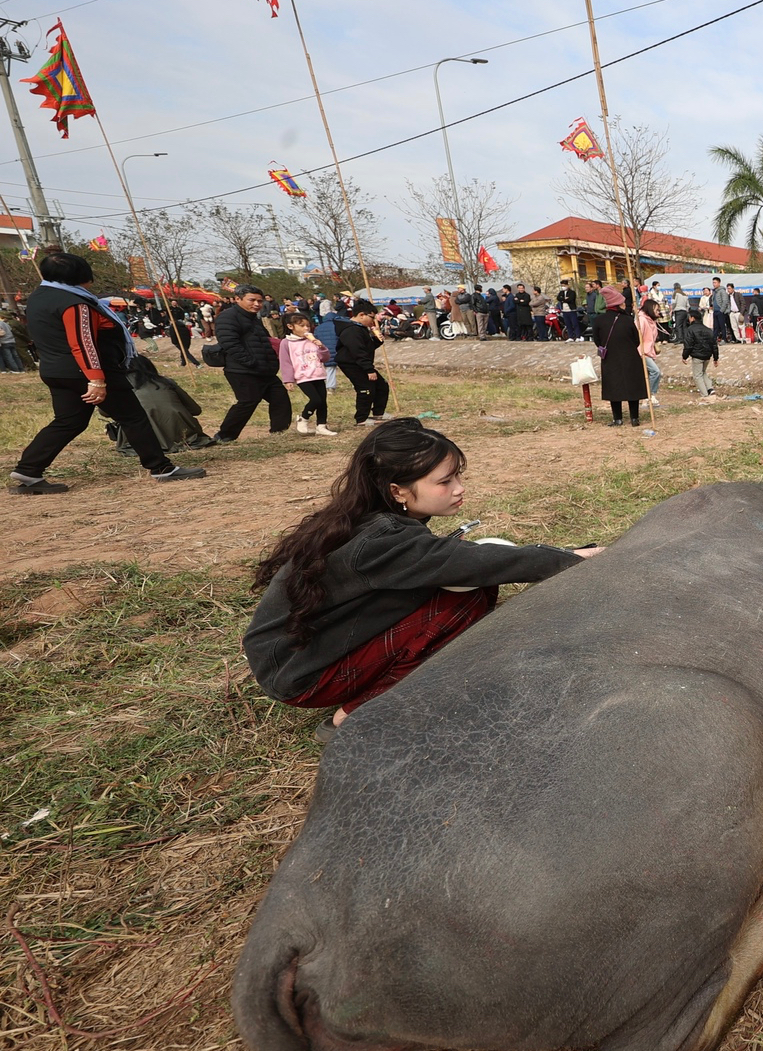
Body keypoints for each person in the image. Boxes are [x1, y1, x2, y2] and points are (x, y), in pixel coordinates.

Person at [245, 420, 602, 729]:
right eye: (445, 481)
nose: (459, 488)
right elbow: (478, 563)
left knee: (452, 588)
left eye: (459, 476)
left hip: (293, 657)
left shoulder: (364, 519)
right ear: (397, 490)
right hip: (298, 675)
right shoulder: (382, 539)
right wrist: (571, 558)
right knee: (465, 599)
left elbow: (457, 559)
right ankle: (356, 714)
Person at [9, 250, 207, 494]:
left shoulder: (39, 297)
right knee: (133, 417)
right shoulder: (75, 303)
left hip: (55, 370)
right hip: (88, 371)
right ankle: (161, 467)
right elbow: (83, 343)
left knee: (69, 421)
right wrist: (96, 379)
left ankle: (29, 469)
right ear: (78, 277)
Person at [213, 285, 294, 440]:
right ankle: (225, 436)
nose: (257, 304)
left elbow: (265, 341)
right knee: (248, 402)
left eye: (259, 301)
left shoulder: (254, 319)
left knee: (280, 398)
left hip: (265, 370)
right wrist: (251, 362)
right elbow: (230, 344)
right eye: (252, 300)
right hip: (242, 370)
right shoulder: (227, 317)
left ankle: (279, 433)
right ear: (238, 299)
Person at [593, 289, 646, 426]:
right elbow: (637, 341)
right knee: (632, 387)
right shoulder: (628, 320)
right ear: (618, 305)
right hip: (630, 358)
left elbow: (597, 341)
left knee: (614, 387)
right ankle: (634, 418)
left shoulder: (599, 320)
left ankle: (617, 419)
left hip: (610, 357)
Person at [279, 312, 337, 437]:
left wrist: (321, 346)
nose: (306, 328)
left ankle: (321, 426)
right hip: (302, 376)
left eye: (308, 326)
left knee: (322, 401)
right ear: (290, 326)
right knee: (315, 399)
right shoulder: (286, 343)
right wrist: (288, 379)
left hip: (318, 374)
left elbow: (325, 358)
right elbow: (285, 362)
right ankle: (303, 418)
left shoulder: (312, 340)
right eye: (302, 326)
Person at [336, 299, 391, 426]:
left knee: (381, 386)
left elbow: (366, 348)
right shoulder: (351, 330)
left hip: (360, 362)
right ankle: (361, 418)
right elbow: (358, 351)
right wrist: (369, 369)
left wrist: (377, 341)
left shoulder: (361, 329)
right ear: (361, 315)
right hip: (351, 364)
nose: (373, 321)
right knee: (366, 389)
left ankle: (378, 413)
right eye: (371, 317)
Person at [681, 297, 719, 398]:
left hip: (697, 356)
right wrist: (716, 358)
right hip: (707, 355)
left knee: (697, 375)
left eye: (689, 317)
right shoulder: (708, 330)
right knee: (703, 372)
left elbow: (688, 345)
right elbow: (714, 345)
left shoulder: (690, 329)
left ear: (693, 318)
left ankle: (705, 395)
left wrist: (684, 356)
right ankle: (710, 389)